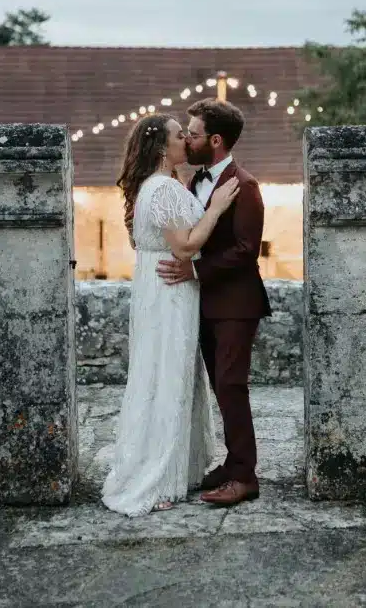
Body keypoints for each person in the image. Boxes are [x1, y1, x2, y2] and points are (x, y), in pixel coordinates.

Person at [101, 112, 240, 517]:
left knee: (166, 372)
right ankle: (157, 476)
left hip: (160, 287)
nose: (187, 140)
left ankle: (181, 464)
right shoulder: (162, 189)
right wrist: (214, 209)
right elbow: (184, 246)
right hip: (169, 291)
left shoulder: (156, 186)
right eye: (180, 135)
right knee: (166, 375)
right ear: (163, 147)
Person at [157, 98, 272, 508]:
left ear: (216, 140)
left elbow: (245, 251)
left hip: (237, 304)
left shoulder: (246, 185)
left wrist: (195, 272)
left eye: (194, 133)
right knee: (220, 389)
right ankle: (232, 461)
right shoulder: (196, 181)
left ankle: (244, 477)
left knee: (231, 386)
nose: (188, 138)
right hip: (206, 304)